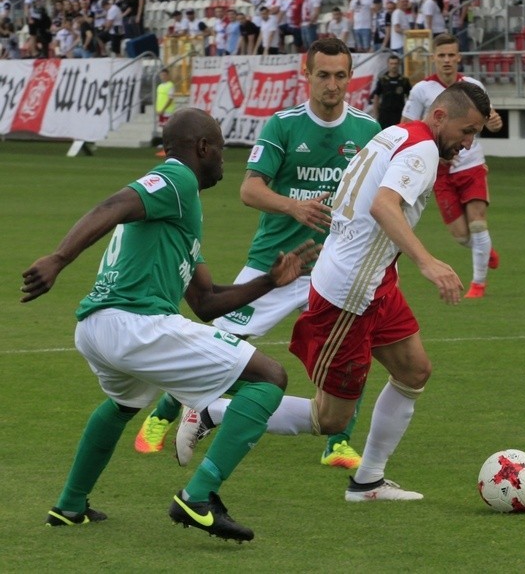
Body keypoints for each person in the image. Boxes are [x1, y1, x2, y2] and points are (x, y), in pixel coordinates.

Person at [22, 107, 320, 542]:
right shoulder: (177, 178)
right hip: (134, 323)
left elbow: (206, 301)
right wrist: (59, 258)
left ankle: (70, 504)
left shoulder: (180, 207)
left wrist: (269, 282)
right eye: (219, 149)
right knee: (269, 377)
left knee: (123, 405)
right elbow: (114, 204)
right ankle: (198, 497)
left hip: (97, 328)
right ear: (202, 148)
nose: (224, 159)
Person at [139, 39, 381, 471]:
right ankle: (163, 414)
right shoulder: (283, 125)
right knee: (222, 342)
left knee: (351, 344)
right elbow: (249, 189)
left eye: (340, 76)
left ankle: (338, 442)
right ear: (306, 75)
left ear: (350, 78)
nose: (331, 84)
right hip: (276, 264)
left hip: (335, 265)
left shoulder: (367, 130)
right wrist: (293, 205)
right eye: (322, 75)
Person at [290, 81, 489, 501]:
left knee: (414, 370)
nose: (468, 144)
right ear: (439, 116)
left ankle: (368, 481)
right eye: (466, 131)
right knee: (328, 419)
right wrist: (427, 261)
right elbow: (384, 204)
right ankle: (213, 412)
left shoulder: (398, 132)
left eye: (475, 135)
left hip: (375, 280)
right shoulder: (424, 149)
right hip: (350, 292)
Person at [401, 33, 503, 299]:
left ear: (458, 57)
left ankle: (478, 285)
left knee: (478, 225)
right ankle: (485, 250)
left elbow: (490, 120)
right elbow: (407, 126)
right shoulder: (422, 89)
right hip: (441, 171)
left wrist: (495, 124)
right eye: (442, 55)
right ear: (434, 58)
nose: (447, 60)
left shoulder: (472, 85)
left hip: (471, 165)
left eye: (451, 55)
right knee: (461, 235)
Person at [371, 53, 411, 128]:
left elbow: (410, 98)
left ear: (399, 64)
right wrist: (376, 115)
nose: (394, 66)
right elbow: (376, 97)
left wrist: (408, 114)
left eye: (395, 63)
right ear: (388, 64)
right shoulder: (382, 80)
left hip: (399, 114)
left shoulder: (404, 80)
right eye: (391, 63)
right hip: (384, 115)